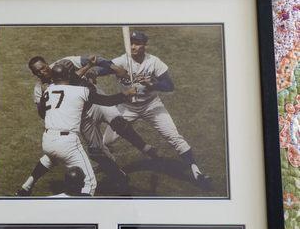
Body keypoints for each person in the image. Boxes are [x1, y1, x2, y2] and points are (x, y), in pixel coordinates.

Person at [16, 55, 156, 195]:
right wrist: (127, 93)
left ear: (48, 65)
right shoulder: (73, 89)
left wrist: (90, 67)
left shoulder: (48, 89)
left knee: (51, 158)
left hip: (50, 137)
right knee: (91, 175)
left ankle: (25, 188)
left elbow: (74, 79)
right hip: (78, 123)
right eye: (38, 71)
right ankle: (116, 179)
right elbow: (105, 99)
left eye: (43, 68)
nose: (42, 72)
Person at [102, 30, 210, 184]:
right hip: (126, 108)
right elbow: (101, 69)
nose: (133, 47)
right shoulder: (121, 61)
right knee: (105, 142)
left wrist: (153, 84)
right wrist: (107, 69)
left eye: (137, 44)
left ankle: (196, 172)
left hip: (151, 106)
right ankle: (122, 165)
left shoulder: (154, 62)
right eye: (131, 43)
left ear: (145, 45)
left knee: (175, 137)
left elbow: (169, 86)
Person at [35, 63, 135, 196]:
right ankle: (79, 206)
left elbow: (42, 113)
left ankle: (118, 177)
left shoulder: (47, 91)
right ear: (68, 76)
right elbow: (107, 101)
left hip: (47, 140)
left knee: (79, 172)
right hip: (68, 142)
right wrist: (126, 93)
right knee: (89, 182)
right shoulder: (79, 91)